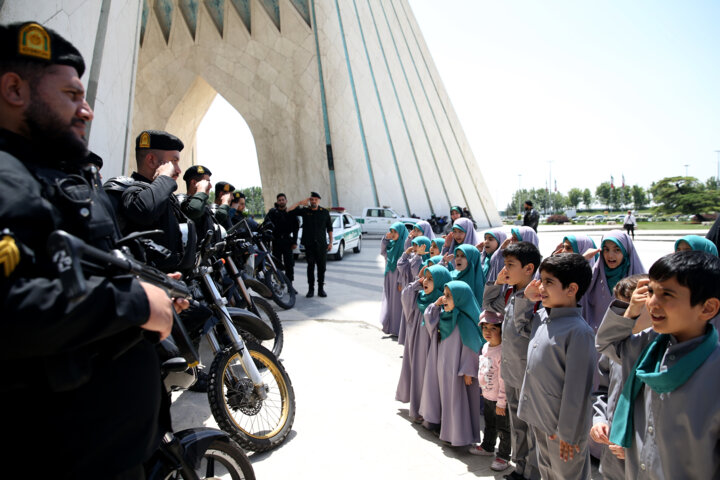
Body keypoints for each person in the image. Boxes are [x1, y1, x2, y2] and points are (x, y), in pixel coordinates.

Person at [0, 21, 181, 478]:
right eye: (70, 96)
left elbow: (73, 271)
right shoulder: (7, 177)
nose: (87, 111)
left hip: (107, 448)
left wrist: (144, 285)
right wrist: (136, 303)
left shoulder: (50, 174)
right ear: (14, 89)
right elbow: (11, 307)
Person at [596, 251, 720, 478]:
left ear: (708, 308)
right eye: (651, 291)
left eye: (667, 295)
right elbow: (606, 345)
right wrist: (630, 311)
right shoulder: (649, 346)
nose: (652, 303)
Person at [518, 254, 595, 480]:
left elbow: (577, 391)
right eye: (541, 280)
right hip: (540, 417)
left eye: (548, 282)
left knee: (566, 475)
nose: (541, 287)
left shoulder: (579, 332)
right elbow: (517, 327)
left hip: (563, 429)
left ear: (571, 289)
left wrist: (568, 433)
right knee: (547, 472)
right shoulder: (542, 316)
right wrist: (525, 298)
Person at [483, 242, 542, 480]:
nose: (505, 269)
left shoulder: (536, 295)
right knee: (517, 424)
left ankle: (532, 472)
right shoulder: (512, 293)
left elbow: (525, 330)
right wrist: (496, 283)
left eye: (510, 265)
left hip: (527, 371)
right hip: (511, 370)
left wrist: (524, 301)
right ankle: (521, 468)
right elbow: (489, 306)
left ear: (528, 268)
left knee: (529, 427)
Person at [590, 274, 648, 480]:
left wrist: (636, 447)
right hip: (612, 452)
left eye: (631, 307)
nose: (624, 315)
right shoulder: (615, 350)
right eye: (619, 307)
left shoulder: (656, 350)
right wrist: (599, 419)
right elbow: (602, 391)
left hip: (641, 455)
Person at [104, 130, 187, 271]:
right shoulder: (126, 189)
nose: (178, 170)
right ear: (151, 160)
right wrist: (165, 177)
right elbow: (145, 210)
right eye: (174, 162)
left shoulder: (162, 194)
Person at [424, 281, 484, 446]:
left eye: (449, 296)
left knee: (457, 401)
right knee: (447, 400)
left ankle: (458, 436)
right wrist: (436, 304)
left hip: (458, 371)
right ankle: (448, 432)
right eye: (444, 294)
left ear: (460, 298)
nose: (444, 299)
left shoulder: (464, 322)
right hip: (445, 367)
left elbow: (472, 346)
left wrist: (467, 370)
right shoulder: (447, 316)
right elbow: (429, 320)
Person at [396, 264, 452, 422]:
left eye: (431, 279)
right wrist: (416, 283)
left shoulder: (443, 303)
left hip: (430, 347)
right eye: (425, 278)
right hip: (415, 343)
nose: (425, 282)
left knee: (427, 375)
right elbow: (405, 295)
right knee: (416, 372)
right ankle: (417, 407)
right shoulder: (420, 298)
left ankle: (426, 411)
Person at [469, 310, 511, 472]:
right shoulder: (485, 346)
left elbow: (503, 379)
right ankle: (488, 446)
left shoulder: (502, 351)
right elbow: (484, 369)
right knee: (489, 424)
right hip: (487, 395)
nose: (487, 331)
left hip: (500, 400)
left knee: (504, 428)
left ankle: (504, 456)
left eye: (493, 328)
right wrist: (483, 387)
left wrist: (501, 402)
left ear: (501, 329)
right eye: (484, 327)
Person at [580, 230, 645, 332]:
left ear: (626, 252)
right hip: (595, 341)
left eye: (617, 250)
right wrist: (581, 260)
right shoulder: (594, 278)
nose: (610, 255)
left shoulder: (637, 281)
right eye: (606, 250)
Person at [289, 192, 333, 297]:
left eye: (315, 200)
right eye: (311, 199)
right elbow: (289, 210)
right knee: (310, 267)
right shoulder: (305, 211)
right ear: (309, 200)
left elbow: (329, 228)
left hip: (322, 245)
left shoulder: (324, 212)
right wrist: (300, 202)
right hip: (309, 245)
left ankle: (321, 289)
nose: (313, 201)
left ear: (319, 200)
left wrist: (331, 242)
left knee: (322, 268)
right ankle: (311, 290)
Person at [378, 222, 409, 335]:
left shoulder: (404, 247)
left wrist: (401, 281)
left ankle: (397, 329)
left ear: (400, 232)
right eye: (391, 231)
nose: (393, 234)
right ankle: (389, 326)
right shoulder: (391, 245)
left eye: (395, 231)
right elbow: (383, 252)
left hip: (398, 279)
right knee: (389, 301)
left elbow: (404, 267)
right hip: (389, 277)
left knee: (397, 304)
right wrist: (385, 239)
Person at [266, 193, 299, 292]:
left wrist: (294, 242)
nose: (281, 201)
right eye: (279, 200)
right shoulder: (272, 213)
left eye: (283, 200)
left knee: (289, 264)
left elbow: (296, 229)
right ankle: (280, 284)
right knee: (277, 265)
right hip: (276, 242)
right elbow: (266, 224)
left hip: (287, 241)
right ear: (277, 202)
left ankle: (290, 286)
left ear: (286, 201)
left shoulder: (290, 212)